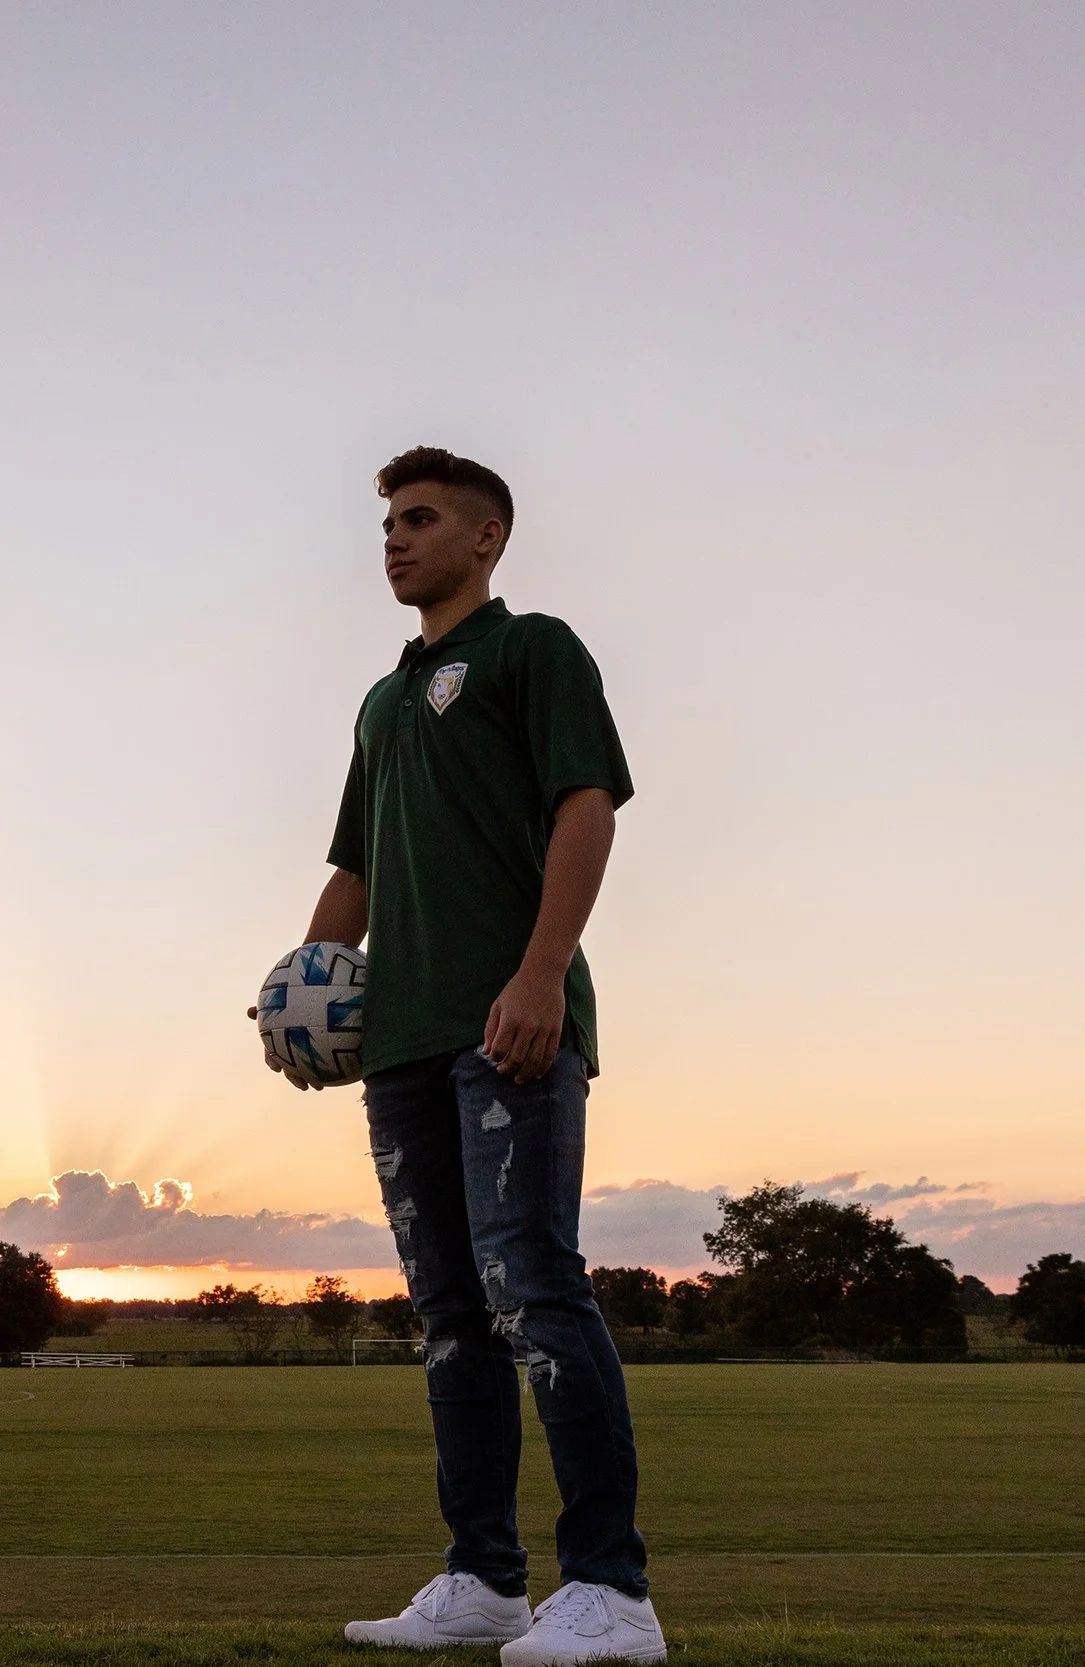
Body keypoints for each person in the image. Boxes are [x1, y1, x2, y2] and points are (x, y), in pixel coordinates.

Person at [266, 447, 663, 1662]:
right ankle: (483, 1578)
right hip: (402, 1042)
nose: (394, 537)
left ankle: (611, 1591)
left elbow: (584, 807)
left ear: (485, 537)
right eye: (386, 520)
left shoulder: (531, 648)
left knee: (532, 1287)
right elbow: (358, 869)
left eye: (420, 518)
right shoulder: (382, 702)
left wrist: (540, 971)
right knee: (448, 1311)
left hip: (510, 1025)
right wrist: (300, 989)